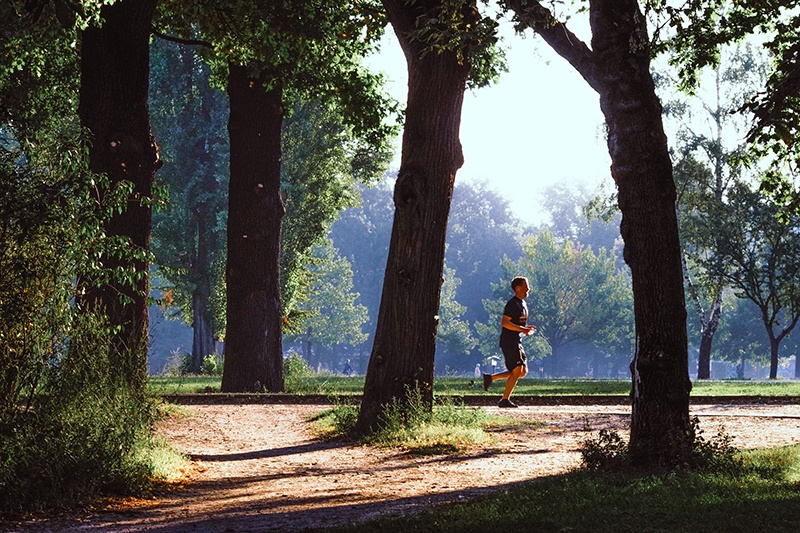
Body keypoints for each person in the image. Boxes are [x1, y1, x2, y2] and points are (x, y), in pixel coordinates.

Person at [483, 276, 536, 408]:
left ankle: (491, 378)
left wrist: (524, 329)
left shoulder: (522, 303)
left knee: (522, 372)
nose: (528, 289)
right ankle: (504, 400)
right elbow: (505, 323)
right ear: (518, 288)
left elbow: (518, 323)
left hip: (516, 341)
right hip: (509, 341)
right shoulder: (512, 304)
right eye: (526, 286)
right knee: (517, 369)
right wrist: (522, 329)